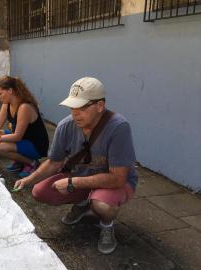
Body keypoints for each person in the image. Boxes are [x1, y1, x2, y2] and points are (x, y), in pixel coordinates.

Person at [14, 77, 138, 254]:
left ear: (100, 106)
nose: (75, 113)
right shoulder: (66, 126)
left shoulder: (118, 127)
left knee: (102, 205)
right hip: (82, 175)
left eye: (82, 108)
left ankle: (107, 225)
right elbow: (54, 162)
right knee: (39, 191)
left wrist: (73, 183)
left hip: (114, 183)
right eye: (72, 107)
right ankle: (82, 203)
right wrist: (29, 179)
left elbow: (118, 178)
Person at [0, 75, 49, 178]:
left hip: (35, 145)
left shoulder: (24, 107)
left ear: (10, 91)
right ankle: (20, 161)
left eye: (0, 93)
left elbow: (17, 136)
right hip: (23, 139)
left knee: (0, 147)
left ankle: (32, 163)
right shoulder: (6, 104)